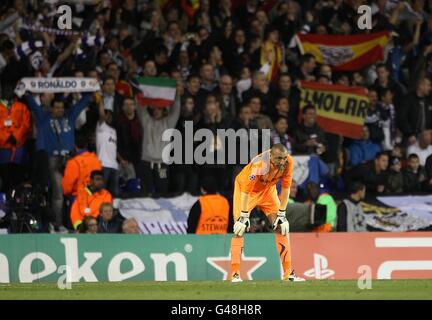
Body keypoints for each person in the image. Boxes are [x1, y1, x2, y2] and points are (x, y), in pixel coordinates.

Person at [230, 143, 305, 282]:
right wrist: (244, 216)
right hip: (246, 191)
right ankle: (235, 274)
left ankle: (288, 274)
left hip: (268, 191)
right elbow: (246, 191)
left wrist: (282, 213)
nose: (282, 162)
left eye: (283, 158)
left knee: (281, 226)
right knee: (239, 228)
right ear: (270, 156)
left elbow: (286, 188)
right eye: (278, 159)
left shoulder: (288, 162)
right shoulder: (259, 164)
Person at [25, 92, 92, 232]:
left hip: (71, 161)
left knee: (75, 194)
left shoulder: (70, 116)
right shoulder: (44, 118)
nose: (60, 110)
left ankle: (75, 224)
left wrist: (91, 89)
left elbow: (82, 104)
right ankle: (57, 224)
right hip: (54, 161)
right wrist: (27, 91)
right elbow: (32, 104)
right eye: (56, 107)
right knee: (58, 195)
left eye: (61, 107)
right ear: (51, 108)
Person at [62, 133, 102, 198]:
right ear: (86, 145)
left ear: (75, 146)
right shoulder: (96, 160)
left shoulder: (73, 162)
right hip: (94, 198)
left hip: (79, 199)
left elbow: (66, 188)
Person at [96, 93, 120, 197]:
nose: (109, 116)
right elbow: (101, 114)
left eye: (110, 115)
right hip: (103, 164)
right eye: (107, 114)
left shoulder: (114, 130)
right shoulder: (101, 127)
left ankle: (113, 212)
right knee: (101, 192)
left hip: (114, 165)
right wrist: (100, 100)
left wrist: (121, 160)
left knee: (114, 194)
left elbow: (114, 148)